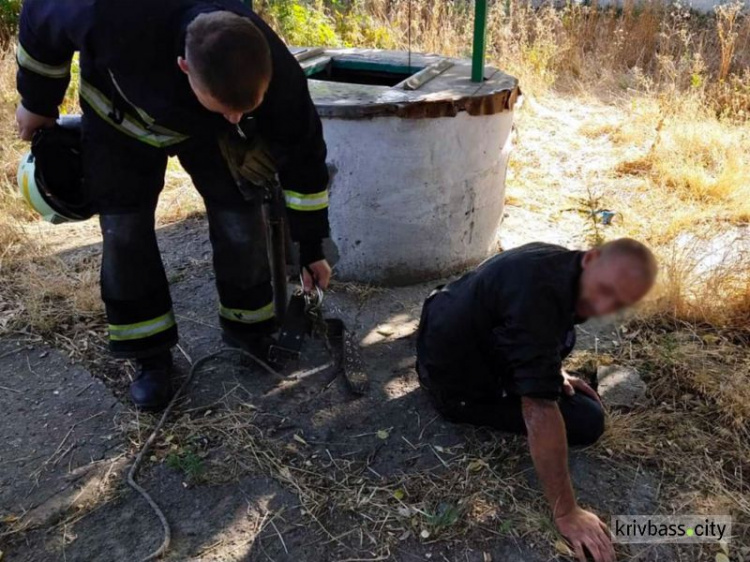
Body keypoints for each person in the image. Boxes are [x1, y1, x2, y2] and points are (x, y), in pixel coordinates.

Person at [16, 0, 332, 411]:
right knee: (125, 233)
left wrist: (311, 248)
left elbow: (304, 159)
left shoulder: (275, 71)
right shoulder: (103, 13)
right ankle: (150, 358)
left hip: (205, 129)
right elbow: (39, 18)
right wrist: (37, 104)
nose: (239, 118)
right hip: (119, 115)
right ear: (186, 67)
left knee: (240, 215)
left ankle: (249, 329)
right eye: (229, 108)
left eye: (247, 109)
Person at [416, 239, 657, 562]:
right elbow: (539, 408)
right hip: (452, 387)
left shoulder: (557, 261)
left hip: (444, 322)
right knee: (588, 420)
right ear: (592, 258)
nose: (603, 307)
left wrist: (551, 370)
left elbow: (518, 322)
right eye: (605, 290)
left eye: (617, 302)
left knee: (572, 383)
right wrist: (567, 513)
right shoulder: (540, 298)